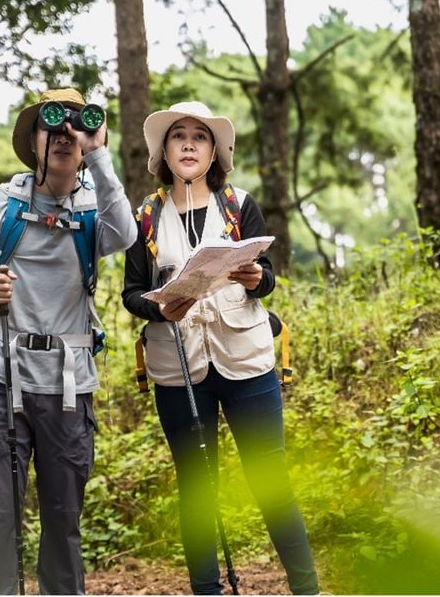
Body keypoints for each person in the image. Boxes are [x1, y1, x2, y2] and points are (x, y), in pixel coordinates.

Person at [121, 101, 320, 595]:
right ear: (164, 151)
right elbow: (131, 293)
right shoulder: (144, 217)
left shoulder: (238, 205)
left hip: (245, 361)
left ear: (214, 152)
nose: (189, 144)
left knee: (271, 480)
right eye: (178, 136)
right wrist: (160, 309)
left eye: (200, 137)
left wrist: (255, 278)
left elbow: (266, 277)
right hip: (178, 368)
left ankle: (307, 589)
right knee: (196, 489)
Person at [0, 87, 136, 594]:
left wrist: (100, 154)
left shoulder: (95, 207)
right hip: (1, 380)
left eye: (74, 131)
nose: (62, 137)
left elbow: (126, 234)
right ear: (33, 140)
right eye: (50, 127)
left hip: (69, 388)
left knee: (63, 518)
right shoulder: (0, 203)